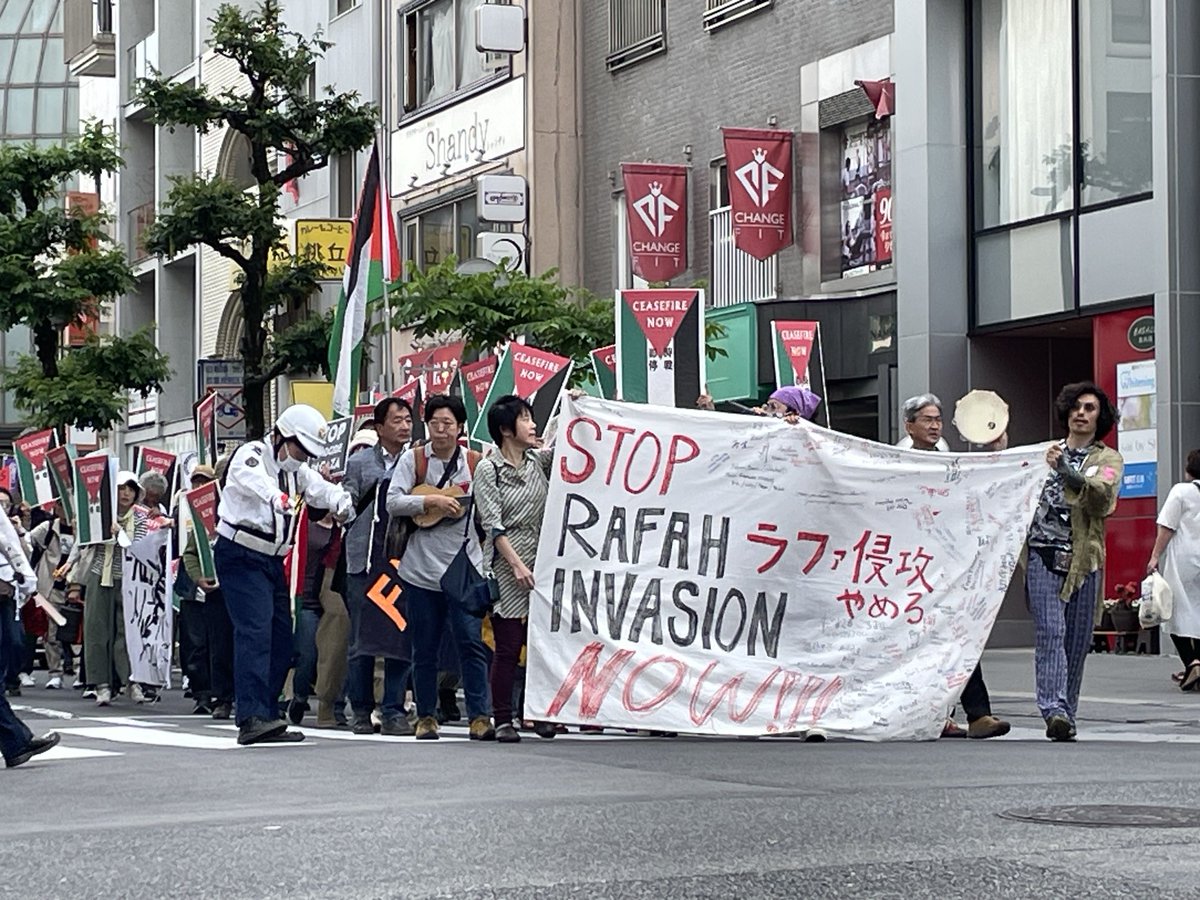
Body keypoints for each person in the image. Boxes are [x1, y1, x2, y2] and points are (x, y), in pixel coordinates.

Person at [214, 404, 352, 746]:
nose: (303, 458)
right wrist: (277, 498)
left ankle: (268, 711)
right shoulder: (253, 454)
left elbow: (319, 487)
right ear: (281, 437)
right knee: (255, 632)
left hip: (272, 560)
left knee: (281, 639)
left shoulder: (298, 470)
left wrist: (340, 498)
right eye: (300, 448)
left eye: (308, 453)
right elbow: (252, 481)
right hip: (241, 554)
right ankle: (251, 717)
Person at [901, 393, 1011, 740]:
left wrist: (997, 453)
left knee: (960, 635)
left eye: (938, 419)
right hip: (910, 567)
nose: (934, 425)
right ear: (909, 425)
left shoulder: (950, 459)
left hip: (948, 566)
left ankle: (977, 714)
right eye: (926, 419)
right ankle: (933, 714)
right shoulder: (898, 461)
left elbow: (981, 486)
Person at [385, 394, 494, 741]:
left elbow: (489, 512)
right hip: (420, 569)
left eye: (448, 424)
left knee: (471, 642)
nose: (441, 430)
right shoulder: (413, 460)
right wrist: (431, 501)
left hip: (463, 566)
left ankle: (480, 715)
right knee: (424, 646)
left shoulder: (476, 463)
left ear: (460, 427)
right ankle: (426, 716)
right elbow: (392, 501)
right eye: (435, 423)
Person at [1026, 381, 1123, 742]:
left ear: (1101, 418)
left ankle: (1066, 712)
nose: (1081, 413)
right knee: (1051, 631)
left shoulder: (1108, 460)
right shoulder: (1043, 454)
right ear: (1067, 412)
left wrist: (1068, 471)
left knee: (1077, 641)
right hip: (1042, 553)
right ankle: (1053, 709)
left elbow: (1102, 496)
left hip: (1084, 561)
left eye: (1090, 408)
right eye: (1076, 407)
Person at [474, 395, 557, 743]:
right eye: (525, 419)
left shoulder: (539, 461)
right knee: (508, 645)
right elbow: (493, 525)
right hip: (508, 564)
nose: (532, 425)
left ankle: (539, 711)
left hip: (545, 557)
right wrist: (517, 565)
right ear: (506, 430)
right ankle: (504, 716)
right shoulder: (488, 468)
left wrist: (574, 406)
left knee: (543, 643)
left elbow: (570, 440)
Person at [342, 398, 415, 736]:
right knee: (363, 637)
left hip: (403, 561)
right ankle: (360, 708)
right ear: (380, 426)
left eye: (408, 419)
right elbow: (346, 504)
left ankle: (394, 709)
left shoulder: (418, 462)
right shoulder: (358, 463)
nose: (404, 426)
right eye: (397, 420)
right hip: (364, 561)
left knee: (401, 633)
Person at [63, 469, 149, 707]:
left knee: (128, 632)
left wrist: (119, 532)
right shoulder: (97, 515)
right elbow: (83, 545)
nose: (126, 493)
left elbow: (139, 548)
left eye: (131, 489)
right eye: (121, 488)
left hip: (130, 579)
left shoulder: (140, 518)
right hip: (99, 575)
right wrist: (70, 568)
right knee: (96, 630)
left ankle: (132, 681)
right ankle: (101, 684)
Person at [0, 507, 60, 769]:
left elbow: (8, 540)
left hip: (6, 586)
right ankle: (16, 741)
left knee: (12, 646)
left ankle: (16, 742)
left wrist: (23, 576)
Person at [180, 464, 236, 719]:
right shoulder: (202, 516)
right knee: (212, 644)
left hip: (239, 587)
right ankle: (216, 695)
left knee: (241, 643)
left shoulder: (238, 508)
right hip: (210, 591)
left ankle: (240, 694)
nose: (200, 487)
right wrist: (198, 577)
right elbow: (191, 552)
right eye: (196, 482)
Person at [1147, 449, 1200, 689]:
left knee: (1173, 610)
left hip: (1184, 559)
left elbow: (1167, 527)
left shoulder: (1181, 491)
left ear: (1190, 469)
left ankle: (1192, 663)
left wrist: (1154, 556)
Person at [28, 503, 75, 690]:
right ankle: (55, 672)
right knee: (52, 631)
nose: (65, 509)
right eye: (62, 505)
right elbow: (27, 542)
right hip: (50, 586)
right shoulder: (48, 528)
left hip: (75, 584)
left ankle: (80, 671)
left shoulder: (81, 529)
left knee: (77, 630)